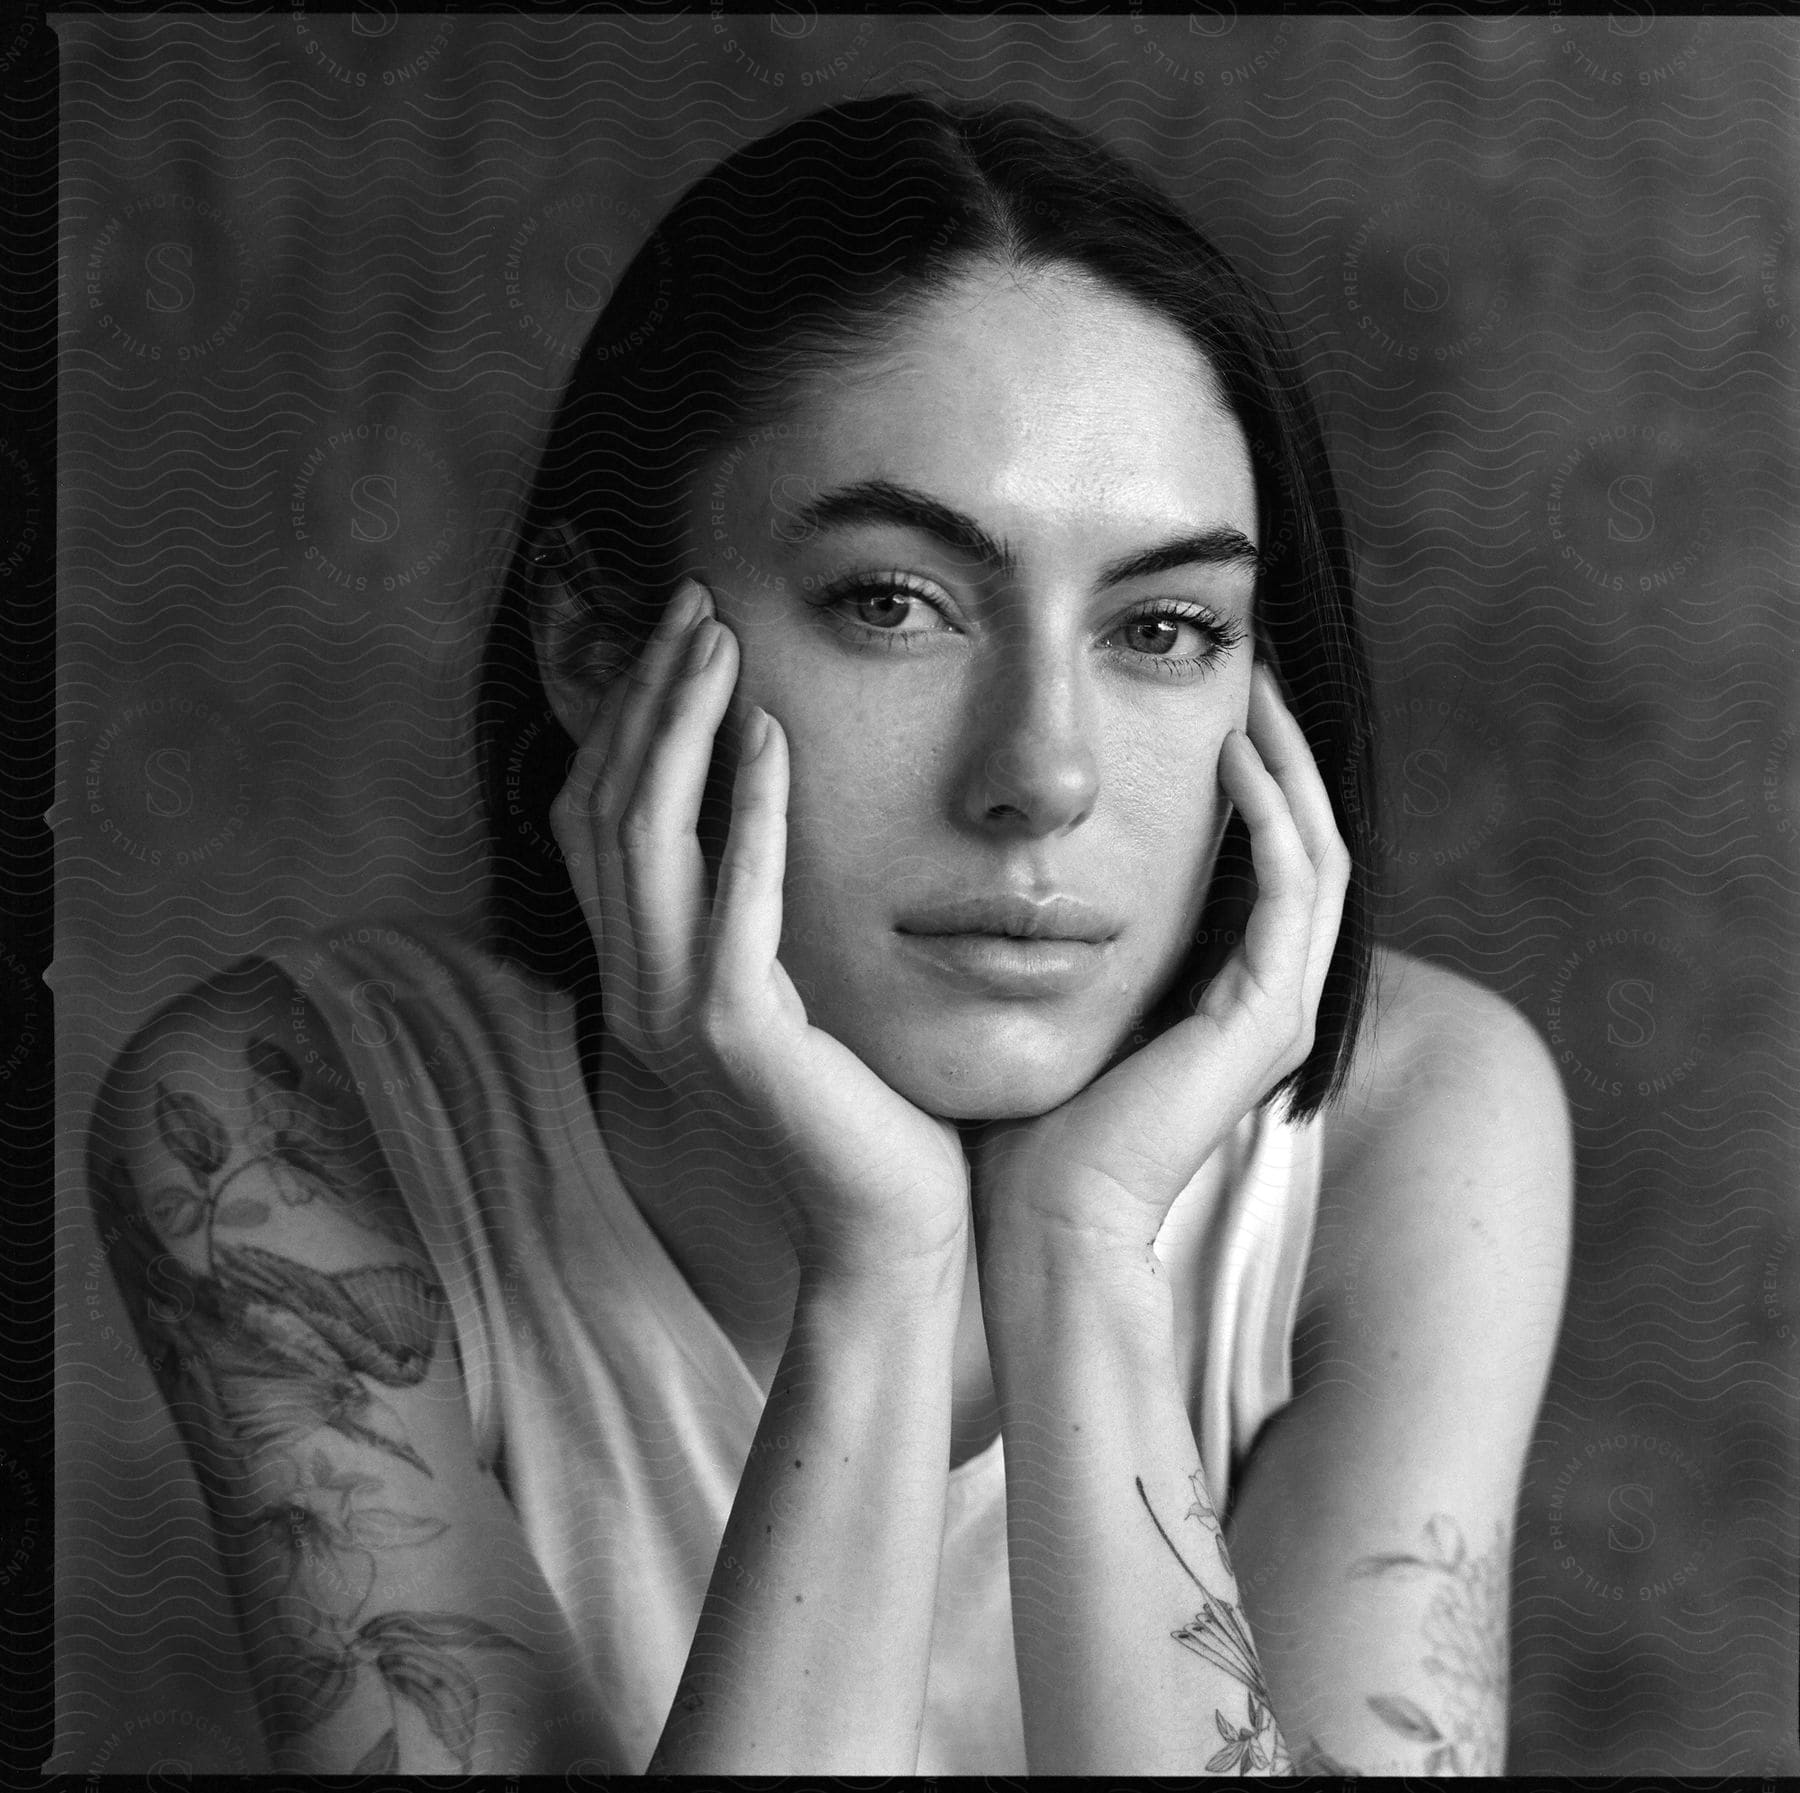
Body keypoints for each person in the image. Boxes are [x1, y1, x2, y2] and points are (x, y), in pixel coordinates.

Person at [87, 91, 1572, 1775]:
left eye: (1162, 624)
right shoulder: (284, 1131)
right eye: (893, 602)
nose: (1046, 774)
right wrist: (883, 1268)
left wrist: (1080, 1246)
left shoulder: (1421, 1127)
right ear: (594, 649)